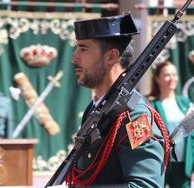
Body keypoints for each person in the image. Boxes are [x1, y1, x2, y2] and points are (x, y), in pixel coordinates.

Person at [65, 14, 170, 187]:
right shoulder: (95, 108)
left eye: (83, 49)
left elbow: (145, 185)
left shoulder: (134, 117)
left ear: (112, 56)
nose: (74, 58)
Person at [148, 60, 194, 188]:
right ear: (157, 78)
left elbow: (192, 136)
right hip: (161, 164)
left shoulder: (185, 104)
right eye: (167, 75)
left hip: (184, 165)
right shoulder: (151, 105)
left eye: (174, 74)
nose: (172, 78)